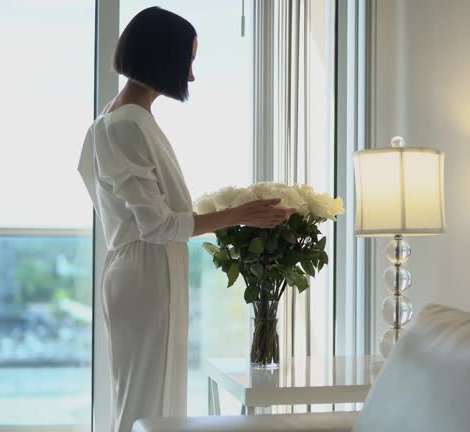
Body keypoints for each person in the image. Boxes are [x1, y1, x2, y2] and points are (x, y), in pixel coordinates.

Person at [77, 7, 294, 432]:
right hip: (146, 269)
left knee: (147, 397)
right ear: (162, 57)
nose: (190, 76)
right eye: (188, 61)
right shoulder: (126, 125)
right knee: (147, 400)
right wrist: (242, 215)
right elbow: (157, 225)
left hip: (144, 267)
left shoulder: (118, 118)